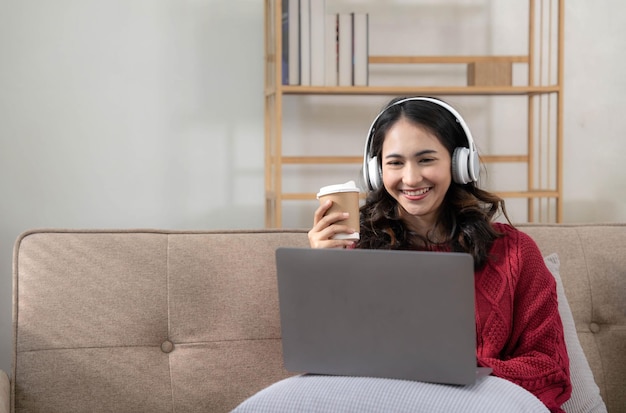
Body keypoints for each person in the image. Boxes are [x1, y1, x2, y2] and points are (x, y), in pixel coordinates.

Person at [307, 96, 572, 412]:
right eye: (395, 163)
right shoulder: (353, 252)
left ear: (460, 163)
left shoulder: (515, 252)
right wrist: (322, 272)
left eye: (426, 159)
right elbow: (326, 369)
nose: (411, 178)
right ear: (376, 171)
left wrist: (462, 369)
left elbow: (550, 371)